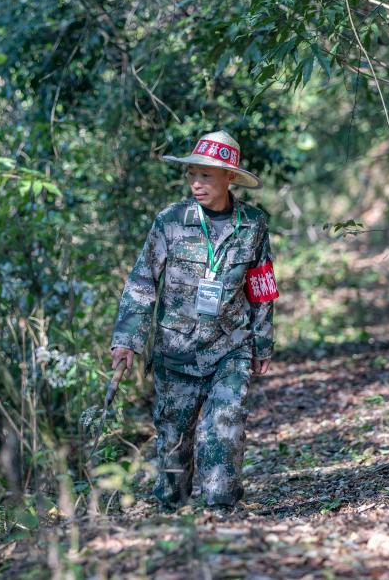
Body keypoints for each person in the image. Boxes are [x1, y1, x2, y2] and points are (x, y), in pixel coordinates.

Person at [110, 130, 278, 509]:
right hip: (175, 352)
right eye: (192, 175)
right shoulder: (170, 221)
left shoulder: (253, 224)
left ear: (229, 177)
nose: (197, 183)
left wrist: (262, 341)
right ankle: (174, 514)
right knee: (173, 443)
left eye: (206, 175)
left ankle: (221, 510)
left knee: (225, 427)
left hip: (230, 347)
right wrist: (126, 340)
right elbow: (142, 282)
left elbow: (261, 285)